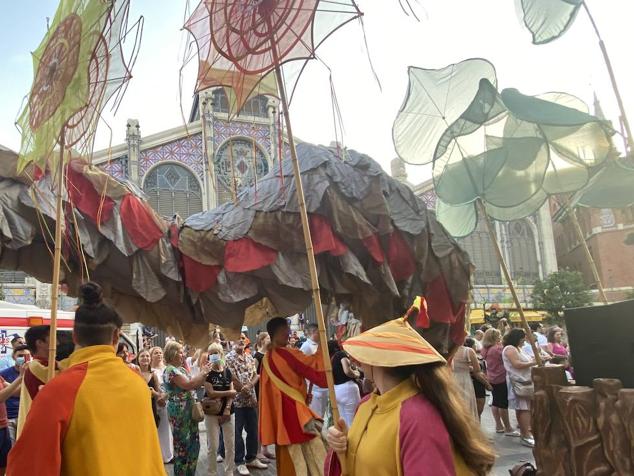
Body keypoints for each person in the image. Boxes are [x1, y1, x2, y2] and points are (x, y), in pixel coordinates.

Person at [7, 281, 164, 475]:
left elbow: (28, 468)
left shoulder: (59, 390)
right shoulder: (137, 382)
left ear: (74, 336)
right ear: (116, 337)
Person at [325, 313, 495, 476]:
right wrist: (343, 445)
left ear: (378, 360)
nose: (357, 360)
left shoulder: (419, 417)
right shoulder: (366, 404)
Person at [259, 317, 328, 476]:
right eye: (286, 330)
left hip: (279, 418)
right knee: (311, 458)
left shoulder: (266, 359)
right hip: (296, 415)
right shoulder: (288, 354)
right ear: (280, 332)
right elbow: (318, 373)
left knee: (287, 458)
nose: (289, 333)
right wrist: (323, 346)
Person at [163, 340, 211, 476]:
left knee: (194, 445)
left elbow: (195, 384)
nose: (182, 354)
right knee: (182, 447)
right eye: (179, 351)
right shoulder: (170, 370)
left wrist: (204, 372)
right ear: (171, 354)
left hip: (190, 411)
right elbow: (189, 384)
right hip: (179, 412)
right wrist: (203, 373)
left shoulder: (182, 369)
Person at [225, 338, 268, 475]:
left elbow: (256, 375)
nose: (241, 340)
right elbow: (230, 376)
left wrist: (249, 386)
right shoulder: (228, 358)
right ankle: (239, 461)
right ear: (231, 342)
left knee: (253, 430)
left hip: (251, 399)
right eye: (238, 338)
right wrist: (243, 389)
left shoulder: (249, 356)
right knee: (236, 433)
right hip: (236, 401)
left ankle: (251, 457)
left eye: (243, 338)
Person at [16, 325, 55, 438]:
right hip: (37, 428)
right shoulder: (37, 366)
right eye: (52, 338)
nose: (56, 342)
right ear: (40, 343)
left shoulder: (44, 365)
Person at [204, 343, 236, 476]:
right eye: (211, 353)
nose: (214, 356)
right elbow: (210, 393)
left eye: (216, 353)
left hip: (228, 412)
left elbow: (233, 393)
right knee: (213, 446)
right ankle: (212, 472)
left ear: (221, 354)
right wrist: (228, 393)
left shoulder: (227, 371)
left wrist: (227, 409)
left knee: (230, 445)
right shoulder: (207, 373)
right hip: (211, 413)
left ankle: (229, 471)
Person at [502, 328, 537, 448]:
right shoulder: (510, 349)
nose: (524, 341)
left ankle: (526, 433)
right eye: (523, 338)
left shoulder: (518, 348)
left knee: (524, 407)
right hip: (518, 382)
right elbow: (516, 364)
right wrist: (534, 362)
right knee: (523, 408)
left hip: (524, 381)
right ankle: (525, 434)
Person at [481, 328, 516, 435]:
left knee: (495, 402)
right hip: (501, 377)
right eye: (499, 335)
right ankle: (508, 427)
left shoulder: (485, 349)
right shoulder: (497, 349)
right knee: (502, 404)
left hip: (491, 377)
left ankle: (498, 425)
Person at [328, 340, 361, 429]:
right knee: (354, 419)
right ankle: (354, 441)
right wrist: (356, 374)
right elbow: (347, 370)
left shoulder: (330, 359)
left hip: (336, 390)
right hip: (347, 389)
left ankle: (346, 440)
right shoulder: (340, 354)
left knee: (344, 421)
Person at [0, 345, 29, 443]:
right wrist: (21, 377)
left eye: (26, 356)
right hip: (9, 418)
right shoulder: (4, 373)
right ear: (13, 356)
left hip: (25, 416)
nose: (23, 359)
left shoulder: (34, 372)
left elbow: (17, 392)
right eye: (20, 356)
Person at [253, 332, 275, 461]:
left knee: (267, 420)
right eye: (268, 338)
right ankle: (257, 451)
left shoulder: (271, 354)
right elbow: (254, 374)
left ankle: (265, 449)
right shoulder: (257, 356)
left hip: (270, 391)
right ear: (261, 340)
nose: (270, 339)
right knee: (259, 422)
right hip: (260, 392)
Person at [150, 346, 174, 464]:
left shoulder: (166, 369)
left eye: (160, 353)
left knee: (166, 428)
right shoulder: (150, 370)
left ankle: (168, 455)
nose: (159, 355)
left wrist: (164, 397)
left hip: (166, 401)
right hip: (154, 402)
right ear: (151, 355)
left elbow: (170, 386)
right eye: (156, 353)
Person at [300, 323, 328, 418]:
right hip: (313, 388)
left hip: (323, 386)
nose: (321, 334)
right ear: (312, 332)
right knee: (316, 416)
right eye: (318, 332)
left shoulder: (320, 345)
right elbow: (302, 365)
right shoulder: (306, 346)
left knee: (322, 415)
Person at [451, 340, 480, 420]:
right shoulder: (468, 351)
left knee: (454, 404)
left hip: (452, 379)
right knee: (466, 404)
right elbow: (477, 369)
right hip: (464, 379)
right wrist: (469, 368)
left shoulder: (448, 350)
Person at [465, 337, 491, 420]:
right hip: (476, 383)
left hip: (477, 384)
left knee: (476, 412)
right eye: (475, 345)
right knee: (477, 411)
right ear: (472, 346)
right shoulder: (469, 354)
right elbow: (477, 372)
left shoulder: (477, 355)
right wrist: (487, 384)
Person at [138, 349, 162, 427]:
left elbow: (159, 394)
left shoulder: (154, 375)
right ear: (138, 359)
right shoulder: (134, 373)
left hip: (151, 408)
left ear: (150, 359)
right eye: (142, 356)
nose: (145, 358)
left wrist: (153, 392)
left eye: (147, 356)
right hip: (138, 407)